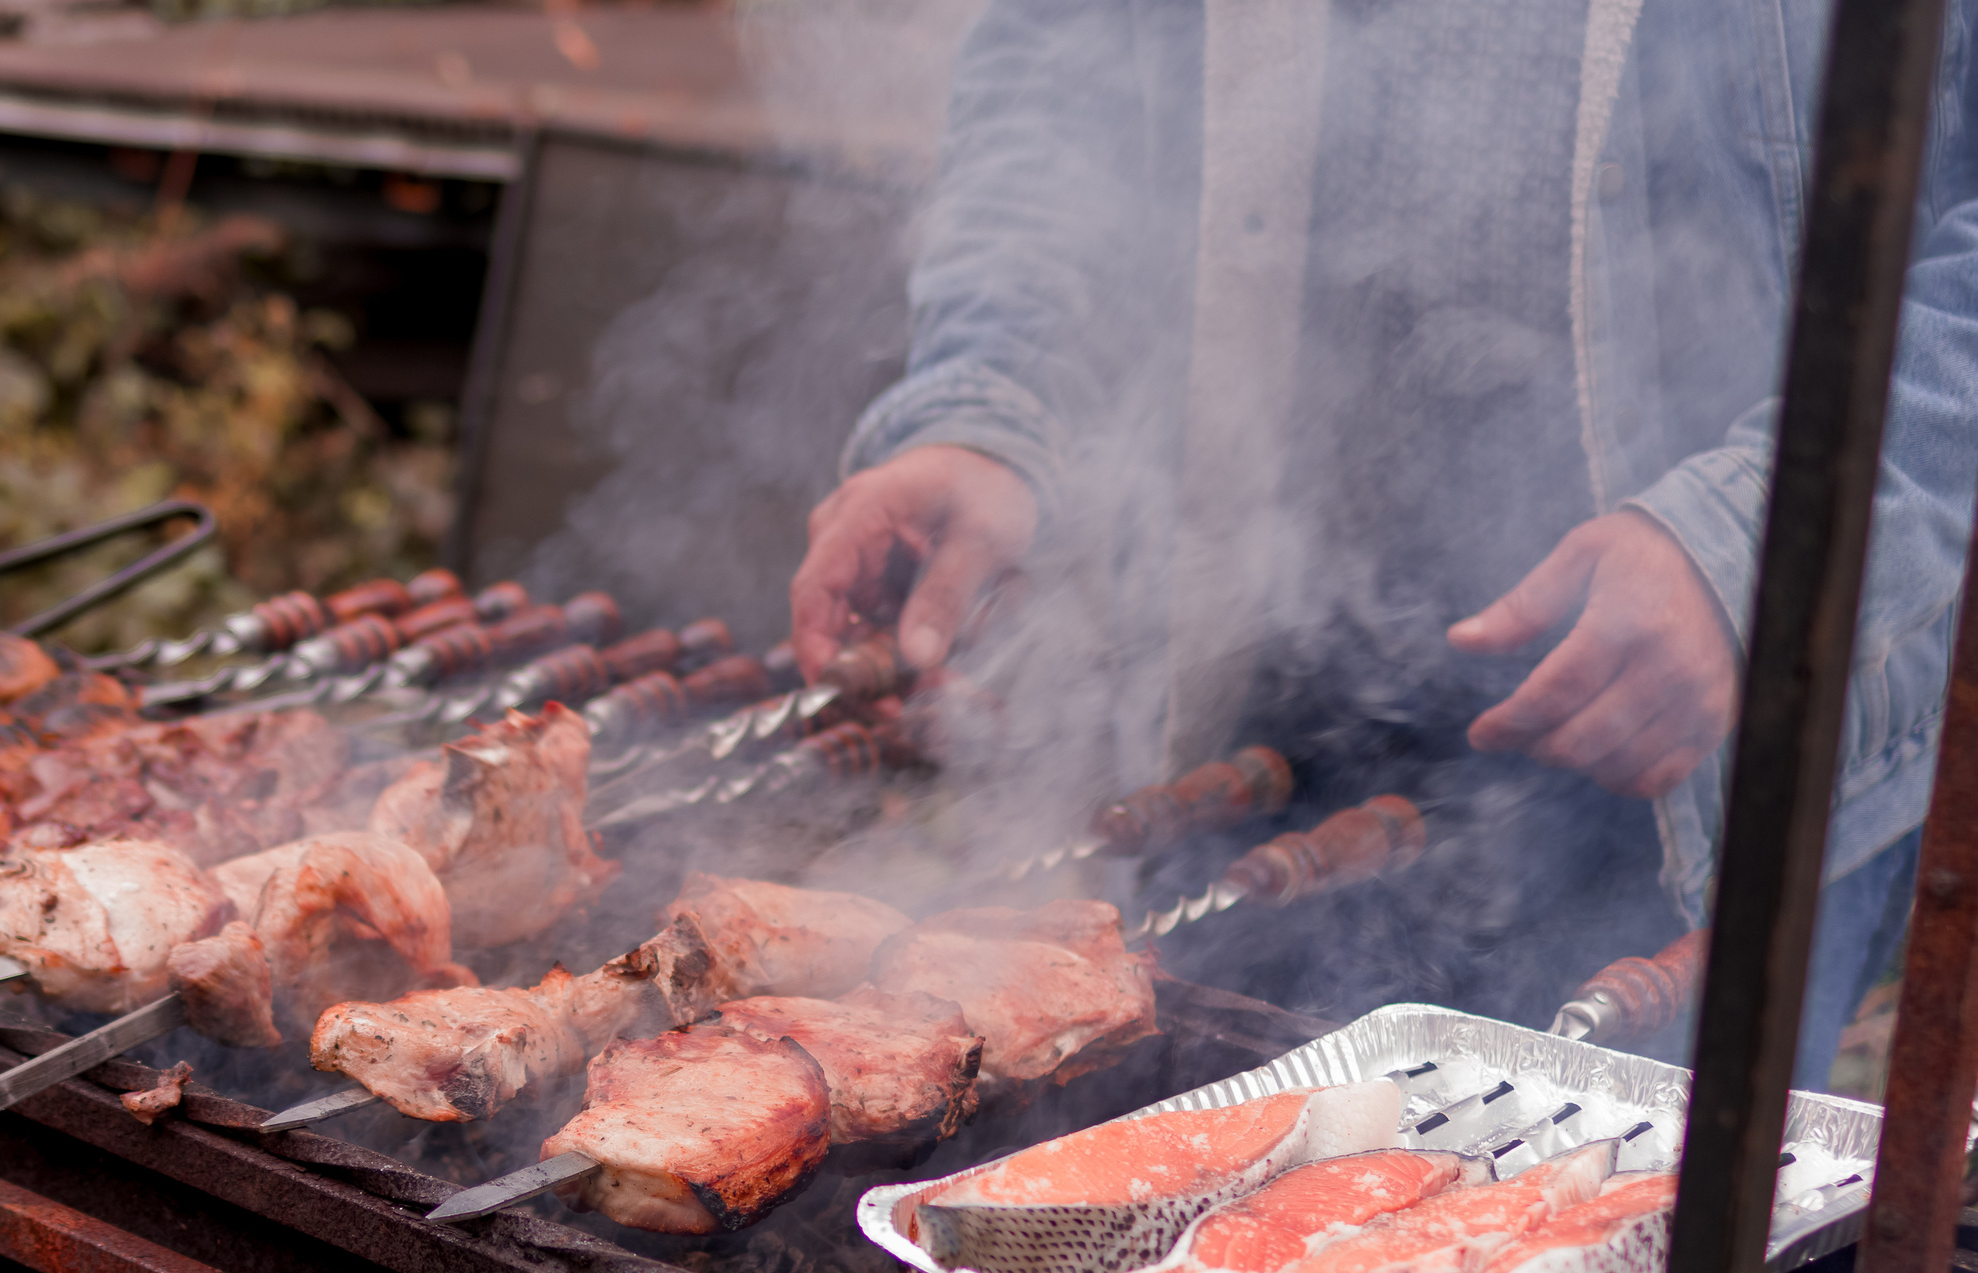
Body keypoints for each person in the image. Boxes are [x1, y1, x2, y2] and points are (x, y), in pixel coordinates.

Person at [789, 0, 1973, 1085]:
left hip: (1704, 732)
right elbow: (1064, 60)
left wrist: (1779, 525)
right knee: (1193, 1269)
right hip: (1255, 671)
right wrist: (992, 402)